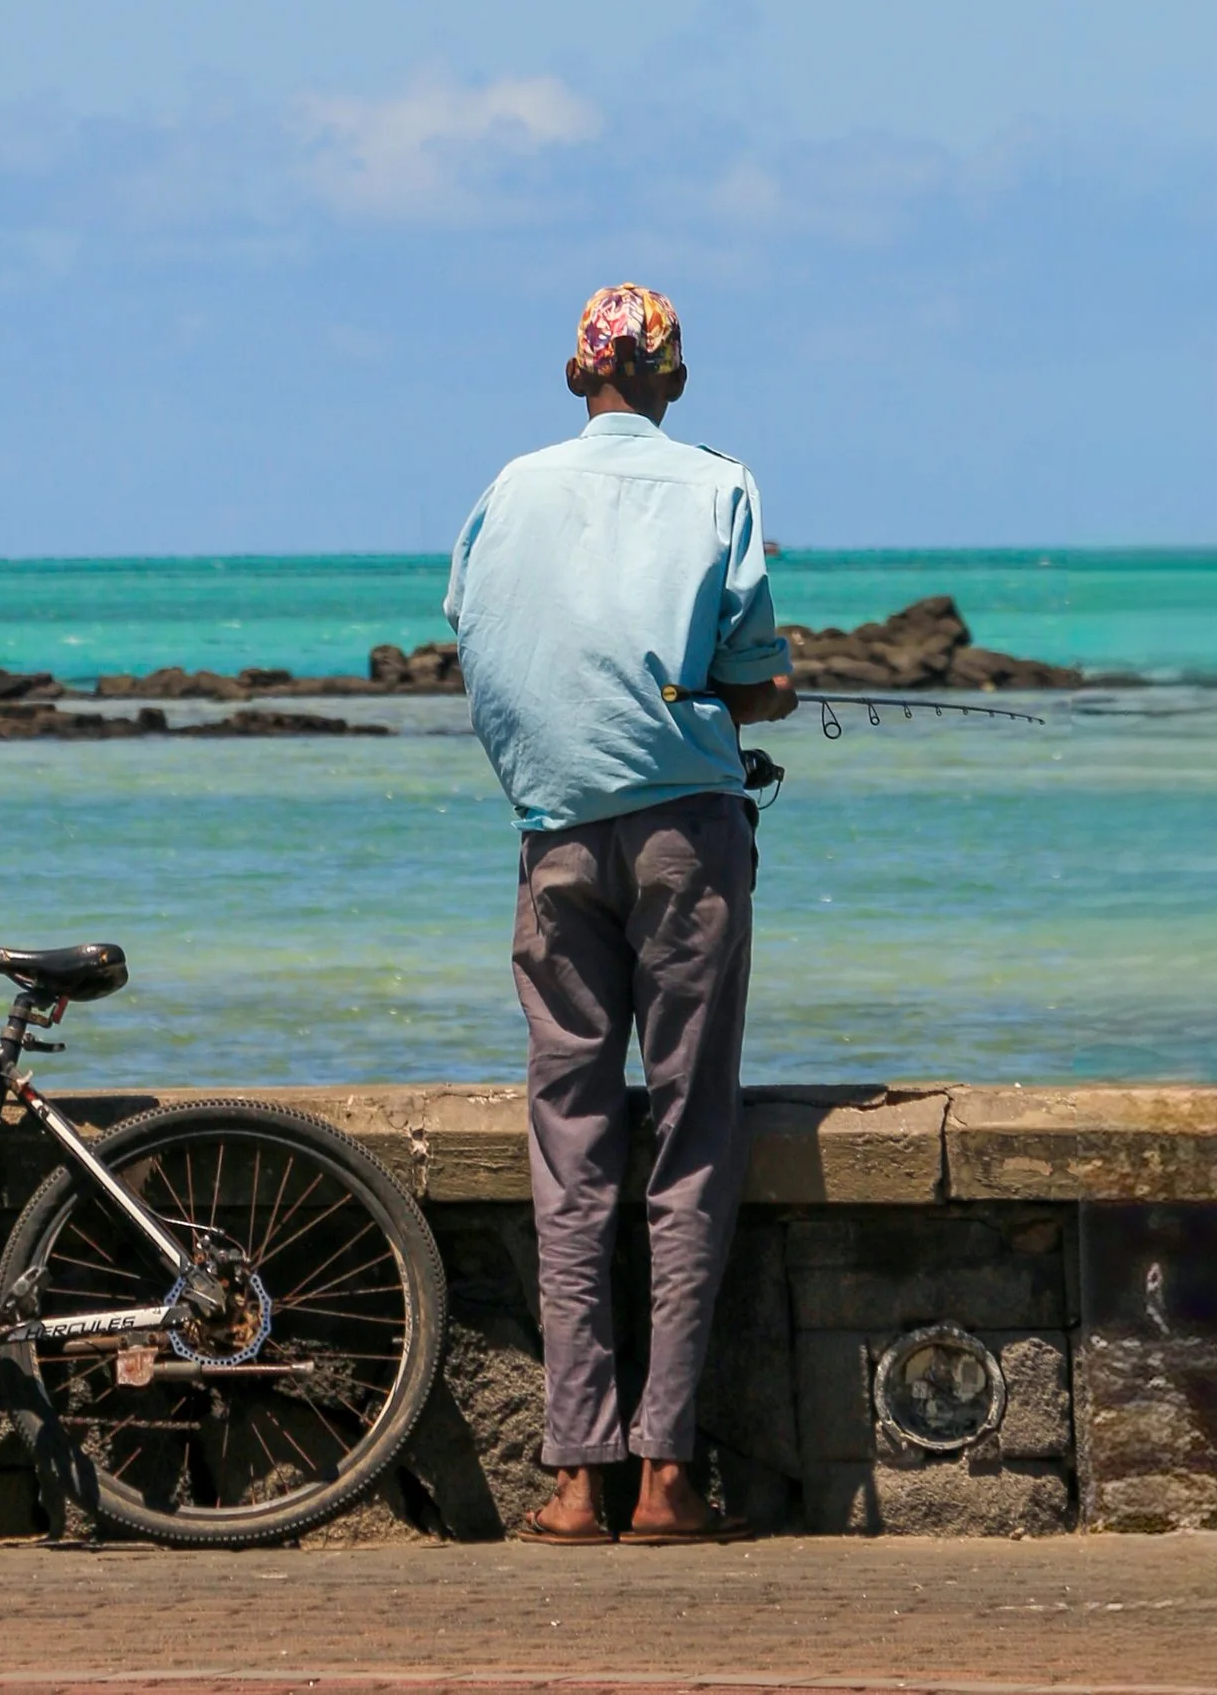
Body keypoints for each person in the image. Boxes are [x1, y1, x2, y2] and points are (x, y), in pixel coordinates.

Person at [444, 281, 796, 1544]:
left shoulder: (507, 488)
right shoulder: (718, 486)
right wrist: (733, 702)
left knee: (571, 1143)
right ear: (674, 376)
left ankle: (568, 1477)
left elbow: (475, 642)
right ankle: (664, 1475)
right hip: (683, 839)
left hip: (550, 838)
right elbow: (756, 677)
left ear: (572, 374)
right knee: (690, 1133)